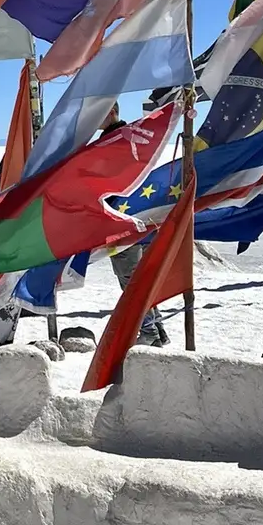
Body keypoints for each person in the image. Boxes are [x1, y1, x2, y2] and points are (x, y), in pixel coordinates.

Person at [98, 102, 168, 348]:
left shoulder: (109, 143)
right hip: (145, 218)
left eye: (100, 111)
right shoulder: (133, 137)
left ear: (113, 111)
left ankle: (148, 331)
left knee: (131, 280)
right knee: (141, 277)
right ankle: (158, 327)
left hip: (123, 220)